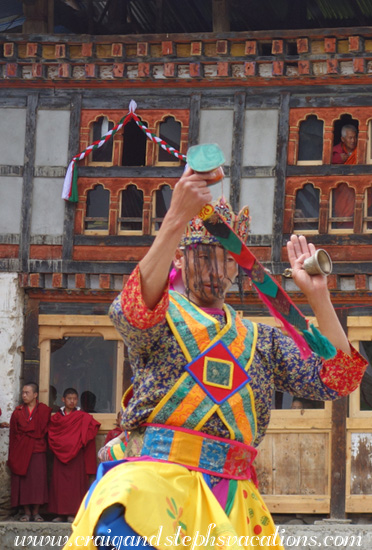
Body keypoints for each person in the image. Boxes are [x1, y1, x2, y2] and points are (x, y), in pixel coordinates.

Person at [64, 165, 367, 550]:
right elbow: (131, 312)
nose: (216, 268)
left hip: (234, 498)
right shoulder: (162, 317)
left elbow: (339, 378)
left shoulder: (261, 341)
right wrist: (175, 218)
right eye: (203, 256)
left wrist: (318, 295)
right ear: (178, 260)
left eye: (227, 259)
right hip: (155, 481)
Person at [48, 387, 100, 522]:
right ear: (63, 399)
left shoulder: (82, 416)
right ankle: (60, 513)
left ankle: (73, 513)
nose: (72, 401)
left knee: (75, 485)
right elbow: (52, 433)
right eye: (69, 399)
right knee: (59, 485)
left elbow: (92, 428)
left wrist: (80, 441)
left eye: (74, 399)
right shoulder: (57, 418)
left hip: (76, 455)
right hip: (60, 455)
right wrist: (63, 444)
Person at [8, 382, 51, 522]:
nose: (24, 395)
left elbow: (45, 431)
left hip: (38, 450)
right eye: (23, 393)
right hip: (21, 450)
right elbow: (13, 435)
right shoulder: (18, 412)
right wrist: (13, 454)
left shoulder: (44, 411)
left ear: (35, 395)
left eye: (27, 393)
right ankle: (26, 512)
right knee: (24, 482)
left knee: (38, 481)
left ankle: (36, 512)